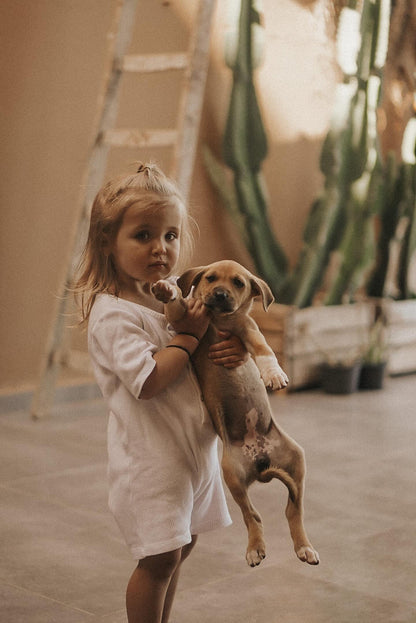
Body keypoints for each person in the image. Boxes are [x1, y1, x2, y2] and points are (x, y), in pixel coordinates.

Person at [74, 163, 247, 623]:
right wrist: (187, 338)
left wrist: (219, 344)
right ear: (107, 243)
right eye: (144, 235)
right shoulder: (113, 316)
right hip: (152, 461)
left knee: (183, 544)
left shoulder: (163, 295)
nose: (161, 248)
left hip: (190, 452)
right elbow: (149, 381)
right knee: (159, 559)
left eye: (170, 236)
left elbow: (199, 352)